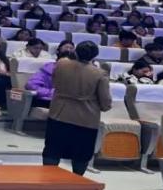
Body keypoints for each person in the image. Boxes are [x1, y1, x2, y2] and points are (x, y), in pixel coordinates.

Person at [41, 41, 111, 176]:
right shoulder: (100, 74)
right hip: (86, 118)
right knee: (81, 154)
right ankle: (77, 180)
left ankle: (47, 177)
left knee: (53, 149)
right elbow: (105, 102)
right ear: (94, 56)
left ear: (76, 51)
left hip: (59, 112)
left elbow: (54, 83)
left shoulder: (61, 64)